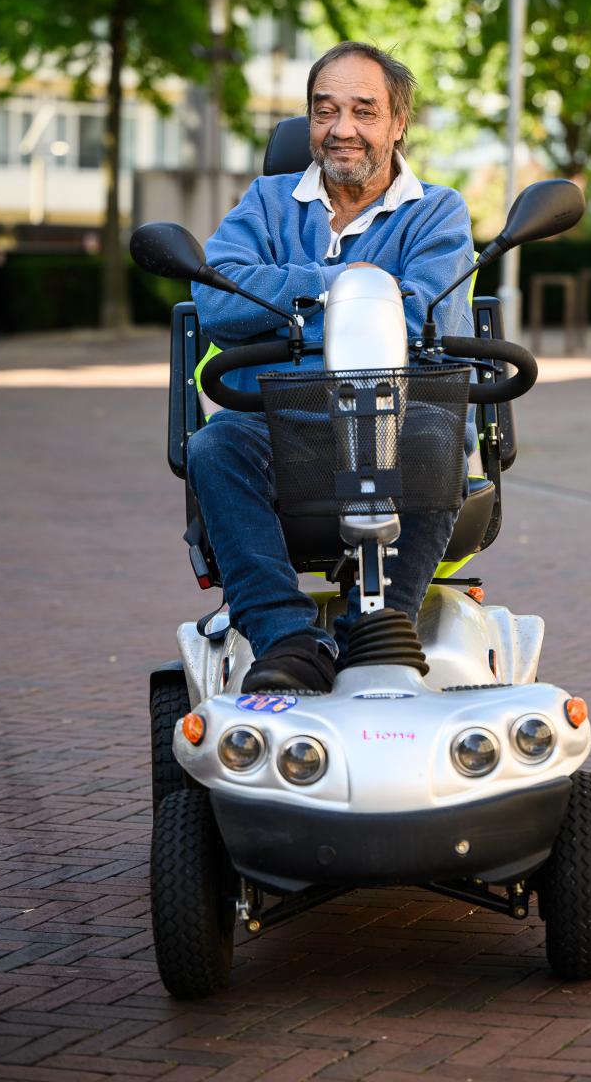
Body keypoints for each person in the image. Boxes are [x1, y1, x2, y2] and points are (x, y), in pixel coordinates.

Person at [187, 41, 475, 695]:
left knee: (439, 435)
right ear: (310, 120)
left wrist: (284, 303)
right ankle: (288, 637)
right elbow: (216, 299)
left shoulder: (437, 211)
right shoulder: (265, 201)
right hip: (286, 415)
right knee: (216, 446)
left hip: (400, 414)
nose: (342, 128)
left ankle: (372, 631)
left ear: (398, 123)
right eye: (326, 110)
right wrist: (344, 285)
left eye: (363, 111)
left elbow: (422, 319)